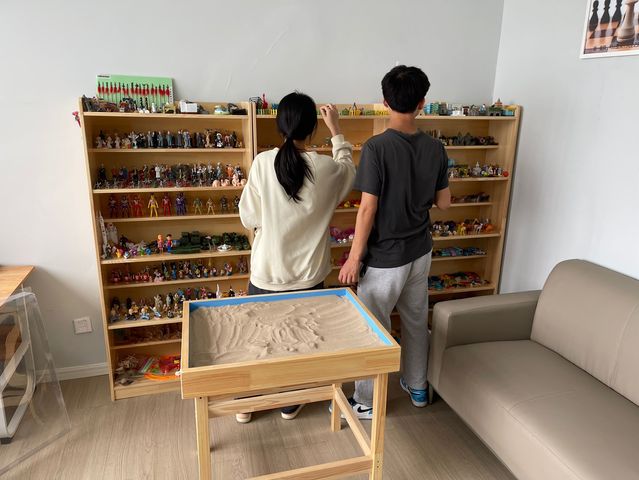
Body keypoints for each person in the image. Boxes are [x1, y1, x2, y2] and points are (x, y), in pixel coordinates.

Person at [338, 65, 451, 419]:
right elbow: (444, 203)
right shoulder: (436, 148)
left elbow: (367, 209)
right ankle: (418, 387)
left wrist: (354, 258)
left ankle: (367, 400)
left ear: (385, 102)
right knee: (416, 320)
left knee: (374, 325)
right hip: (420, 251)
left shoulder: (376, 148)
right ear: (422, 103)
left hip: (386, 257)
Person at [238, 92, 356, 423]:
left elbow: (248, 217)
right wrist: (337, 131)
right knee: (301, 342)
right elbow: (349, 171)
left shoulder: (263, 162)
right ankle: (289, 403)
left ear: (280, 126)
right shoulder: (326, 168)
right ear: (313, 128)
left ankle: (246, 402)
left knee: (257, 339)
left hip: (267, 273)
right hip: (308, 278)